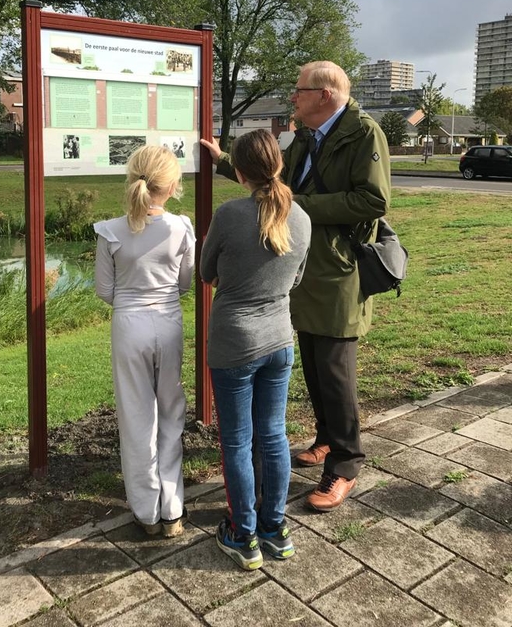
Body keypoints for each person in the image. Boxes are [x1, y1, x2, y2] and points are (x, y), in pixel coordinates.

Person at [201, 61, 391, 513]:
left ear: (324, 94)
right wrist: (226, 162)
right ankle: (326, 439)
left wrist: (299, 207)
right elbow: (274, 180)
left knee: (335, 371)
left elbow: (373, 200)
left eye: (299, 90)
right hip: (303, 268)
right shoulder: (307, 135)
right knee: (312, 363)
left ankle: (345, 464)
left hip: (338, 272)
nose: (293, 97)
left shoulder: (364, 134)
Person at [200, 129, 311, 570]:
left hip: (234, 343)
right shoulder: (301, 218)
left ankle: (242, 533)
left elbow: (206, 271)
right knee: (273, 436)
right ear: (278, 165)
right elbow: (296, 279)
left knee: (237, 441)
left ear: (240, 172)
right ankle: (274, 529)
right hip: (280, 340)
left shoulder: (229, 215)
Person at [94, 145, 195, 537]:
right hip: (168, 323)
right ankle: (173, 509)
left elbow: (105, 291)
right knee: (171, 411)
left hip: (128, 325)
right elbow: (184, 284)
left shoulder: (110, 231)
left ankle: (146, 511)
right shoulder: (181, 228)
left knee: (136, 417)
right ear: (171, 186)